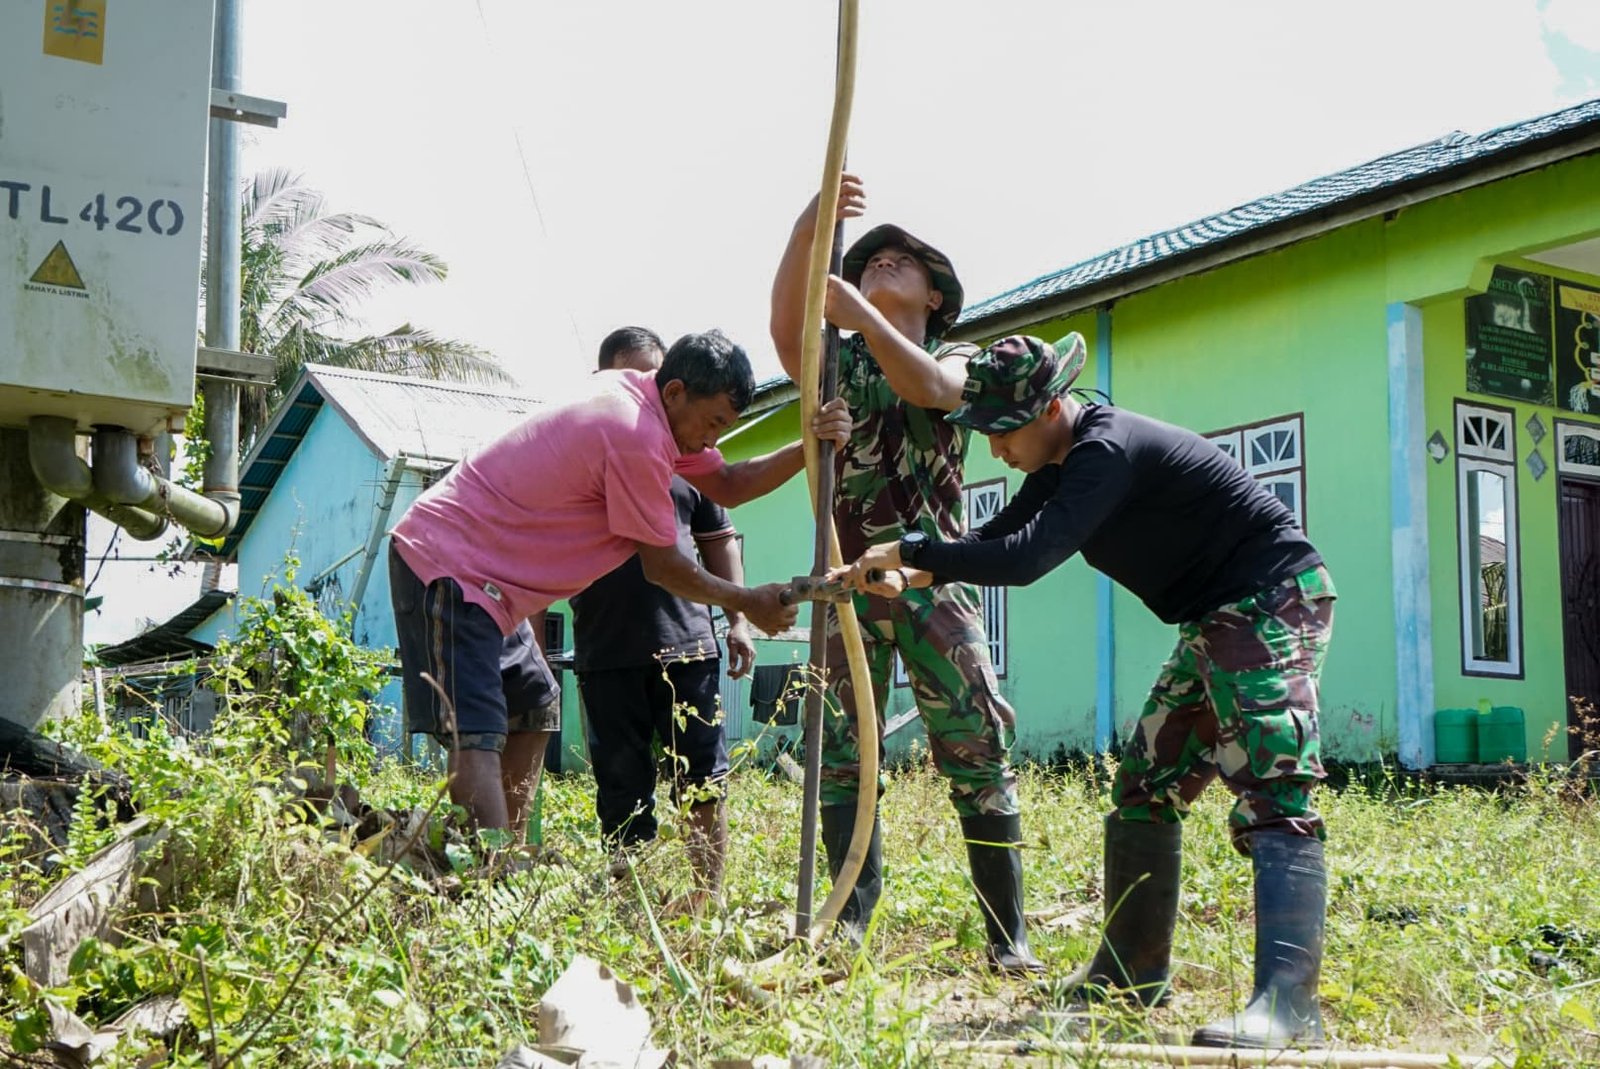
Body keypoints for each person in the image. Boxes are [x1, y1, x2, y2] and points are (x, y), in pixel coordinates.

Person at [834, 333, 1337, 1050]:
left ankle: (1290, 1006)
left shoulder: (1107, 449)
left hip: (1273, 598)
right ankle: (1129, 975)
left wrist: (919, 553)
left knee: (1273, 780)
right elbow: (999, 532)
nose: (996, 451)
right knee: (1146, 783)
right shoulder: (1061, 463)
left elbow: (1028, 557)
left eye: (1002, 433)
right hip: (1215, 616)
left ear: (1047, 410)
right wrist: (914, 566)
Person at [389, 329, 849, 846]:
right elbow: (663, 567)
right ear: (675, 392)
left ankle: (504, 858)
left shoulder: (654, 408)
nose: (714, 439)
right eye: (714, 423)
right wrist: (746, 602)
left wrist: (809, 445)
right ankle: (484, 882)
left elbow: (729, 483)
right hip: (448, 565)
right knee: (476, 733)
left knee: (533, 704)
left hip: (493, 588)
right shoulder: (634, 431)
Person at [769, 175, 1042, 973]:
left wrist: (858, 313)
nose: (883, 259)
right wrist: (807, 223)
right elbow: (789, 329)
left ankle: (1007, 934)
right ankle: (850, 918)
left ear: (937, 292)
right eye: (868, 260)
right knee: (843, 750)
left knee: (976, 743)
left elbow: (931, 388)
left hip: (929, 583)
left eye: (904, 259)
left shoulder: (957, 355)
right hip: (847, 585)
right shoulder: (839, 365)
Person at [570, 327, 769, 912]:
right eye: (637, 378)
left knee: (702, 780)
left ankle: (706, 901)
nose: (650, 394)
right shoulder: (594, 440)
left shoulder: (692, 454)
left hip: (686, 642)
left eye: (658, 379)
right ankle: (631, 905)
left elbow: (718, 537)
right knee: (622, 786)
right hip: (606, 647)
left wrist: (738, 617)